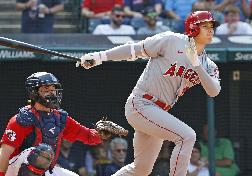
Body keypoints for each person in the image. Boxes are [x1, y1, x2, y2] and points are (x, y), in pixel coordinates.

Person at [78, 10, 221, 176]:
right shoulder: (171, 40)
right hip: (141, 103)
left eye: (212, 26)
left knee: (141, 170)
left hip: (158, 112)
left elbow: (213, 91)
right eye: (206, 26)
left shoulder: (208, 64)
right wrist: (99, 56)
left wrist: (197, 65)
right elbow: (134, 50)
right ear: (193, 28)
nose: (211, 30)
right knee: (187, 137)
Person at [0, 72, 104, 176]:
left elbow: (87, 136)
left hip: (44, 171)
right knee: (40, 151)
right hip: (14, 170)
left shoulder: (60, 118)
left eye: (53, 89)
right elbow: (4, 152)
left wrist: (102, 134)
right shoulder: (23, 119)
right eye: (46, 89)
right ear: (34, 92)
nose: (52, 92)